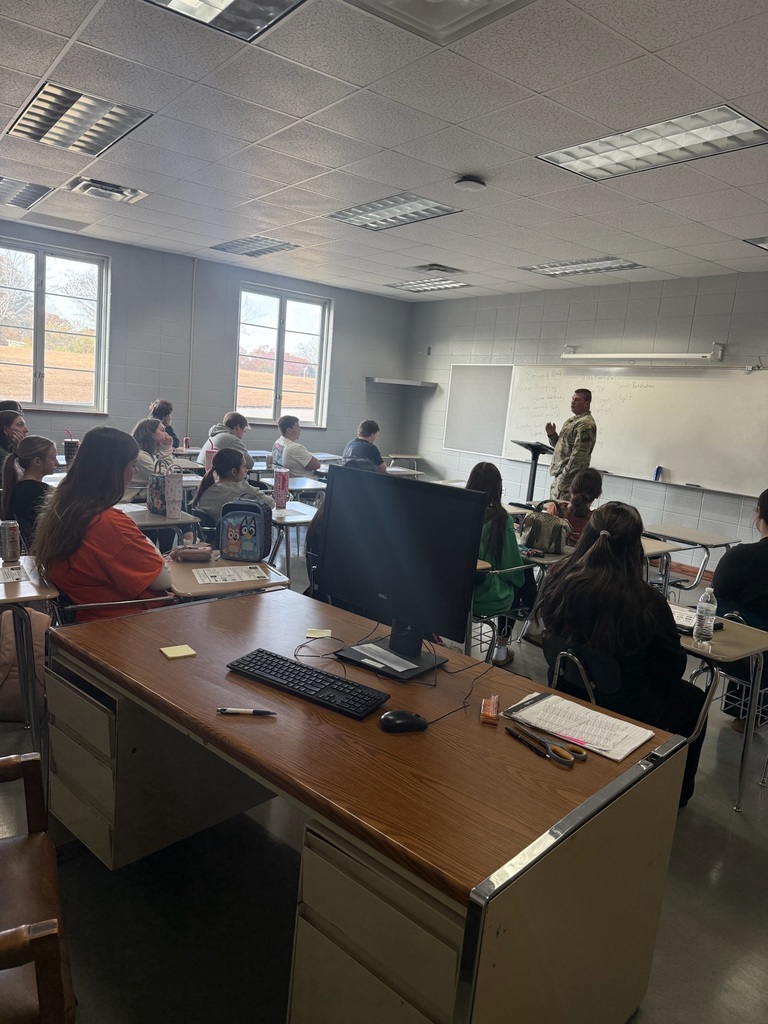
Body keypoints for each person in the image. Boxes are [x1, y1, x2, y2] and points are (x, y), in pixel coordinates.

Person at [535, 501, 706, 807]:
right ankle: (677, 797)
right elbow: (671, 669)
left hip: (567, 690)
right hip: (627, 706)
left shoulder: (558, 579)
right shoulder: (647, 602)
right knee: (696, 701)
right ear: (634, 547)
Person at [33, 427, 171, 621]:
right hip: (124, 624)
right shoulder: (108, 523)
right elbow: (162, 581)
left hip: (89, 620)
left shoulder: (63, 509)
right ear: (114, 470)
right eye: (132, 465)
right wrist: (150, 547)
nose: (135, 472)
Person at [712, 488, 768, 731]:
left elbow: (715, 599)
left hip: (731, 653)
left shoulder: (738, 557)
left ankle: (743, 713)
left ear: (759, 514)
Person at [466, 462, 528, 667]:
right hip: (484, 596)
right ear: (498, 486)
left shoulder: (461, 509)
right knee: (521, 582)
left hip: (456, 594)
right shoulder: (502, 519)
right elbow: (511, 566)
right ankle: (501, 648)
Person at [191, 449, 274, 524]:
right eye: (244, 466)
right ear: (234, 471)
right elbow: (271, 503)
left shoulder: (206, 488)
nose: (246, 470)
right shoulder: (242, 488)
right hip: (239, 538)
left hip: (209, 539)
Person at [0, 435, 57, 544]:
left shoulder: (13, 489)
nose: (57, 463)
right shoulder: (44, 494)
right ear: (37, 461)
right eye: (53, 458)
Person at [545, 389, 597, 501]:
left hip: (570, 481)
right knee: (553, 512)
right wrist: (552, 435)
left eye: (577, 400)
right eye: (572, 399)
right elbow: (563, 448)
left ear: (587, 404)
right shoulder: (572, 421)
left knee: (561, 514)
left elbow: (578, 456)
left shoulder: (585, 424)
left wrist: (564, 479)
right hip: (561, 476)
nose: (573, 402)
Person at [544, 467, 603, 546]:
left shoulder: (554, 508)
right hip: (580, 558)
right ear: (597, 494)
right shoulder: (597, 520)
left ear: (571, 489)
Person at [124, 417, 175, 502]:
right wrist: (166, 449)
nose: (166, 434)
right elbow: (167, 477)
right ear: (151, 434)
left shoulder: (150, 454)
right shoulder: (140, 456)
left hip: (138, 498)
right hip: (128, 502)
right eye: (162, 430)